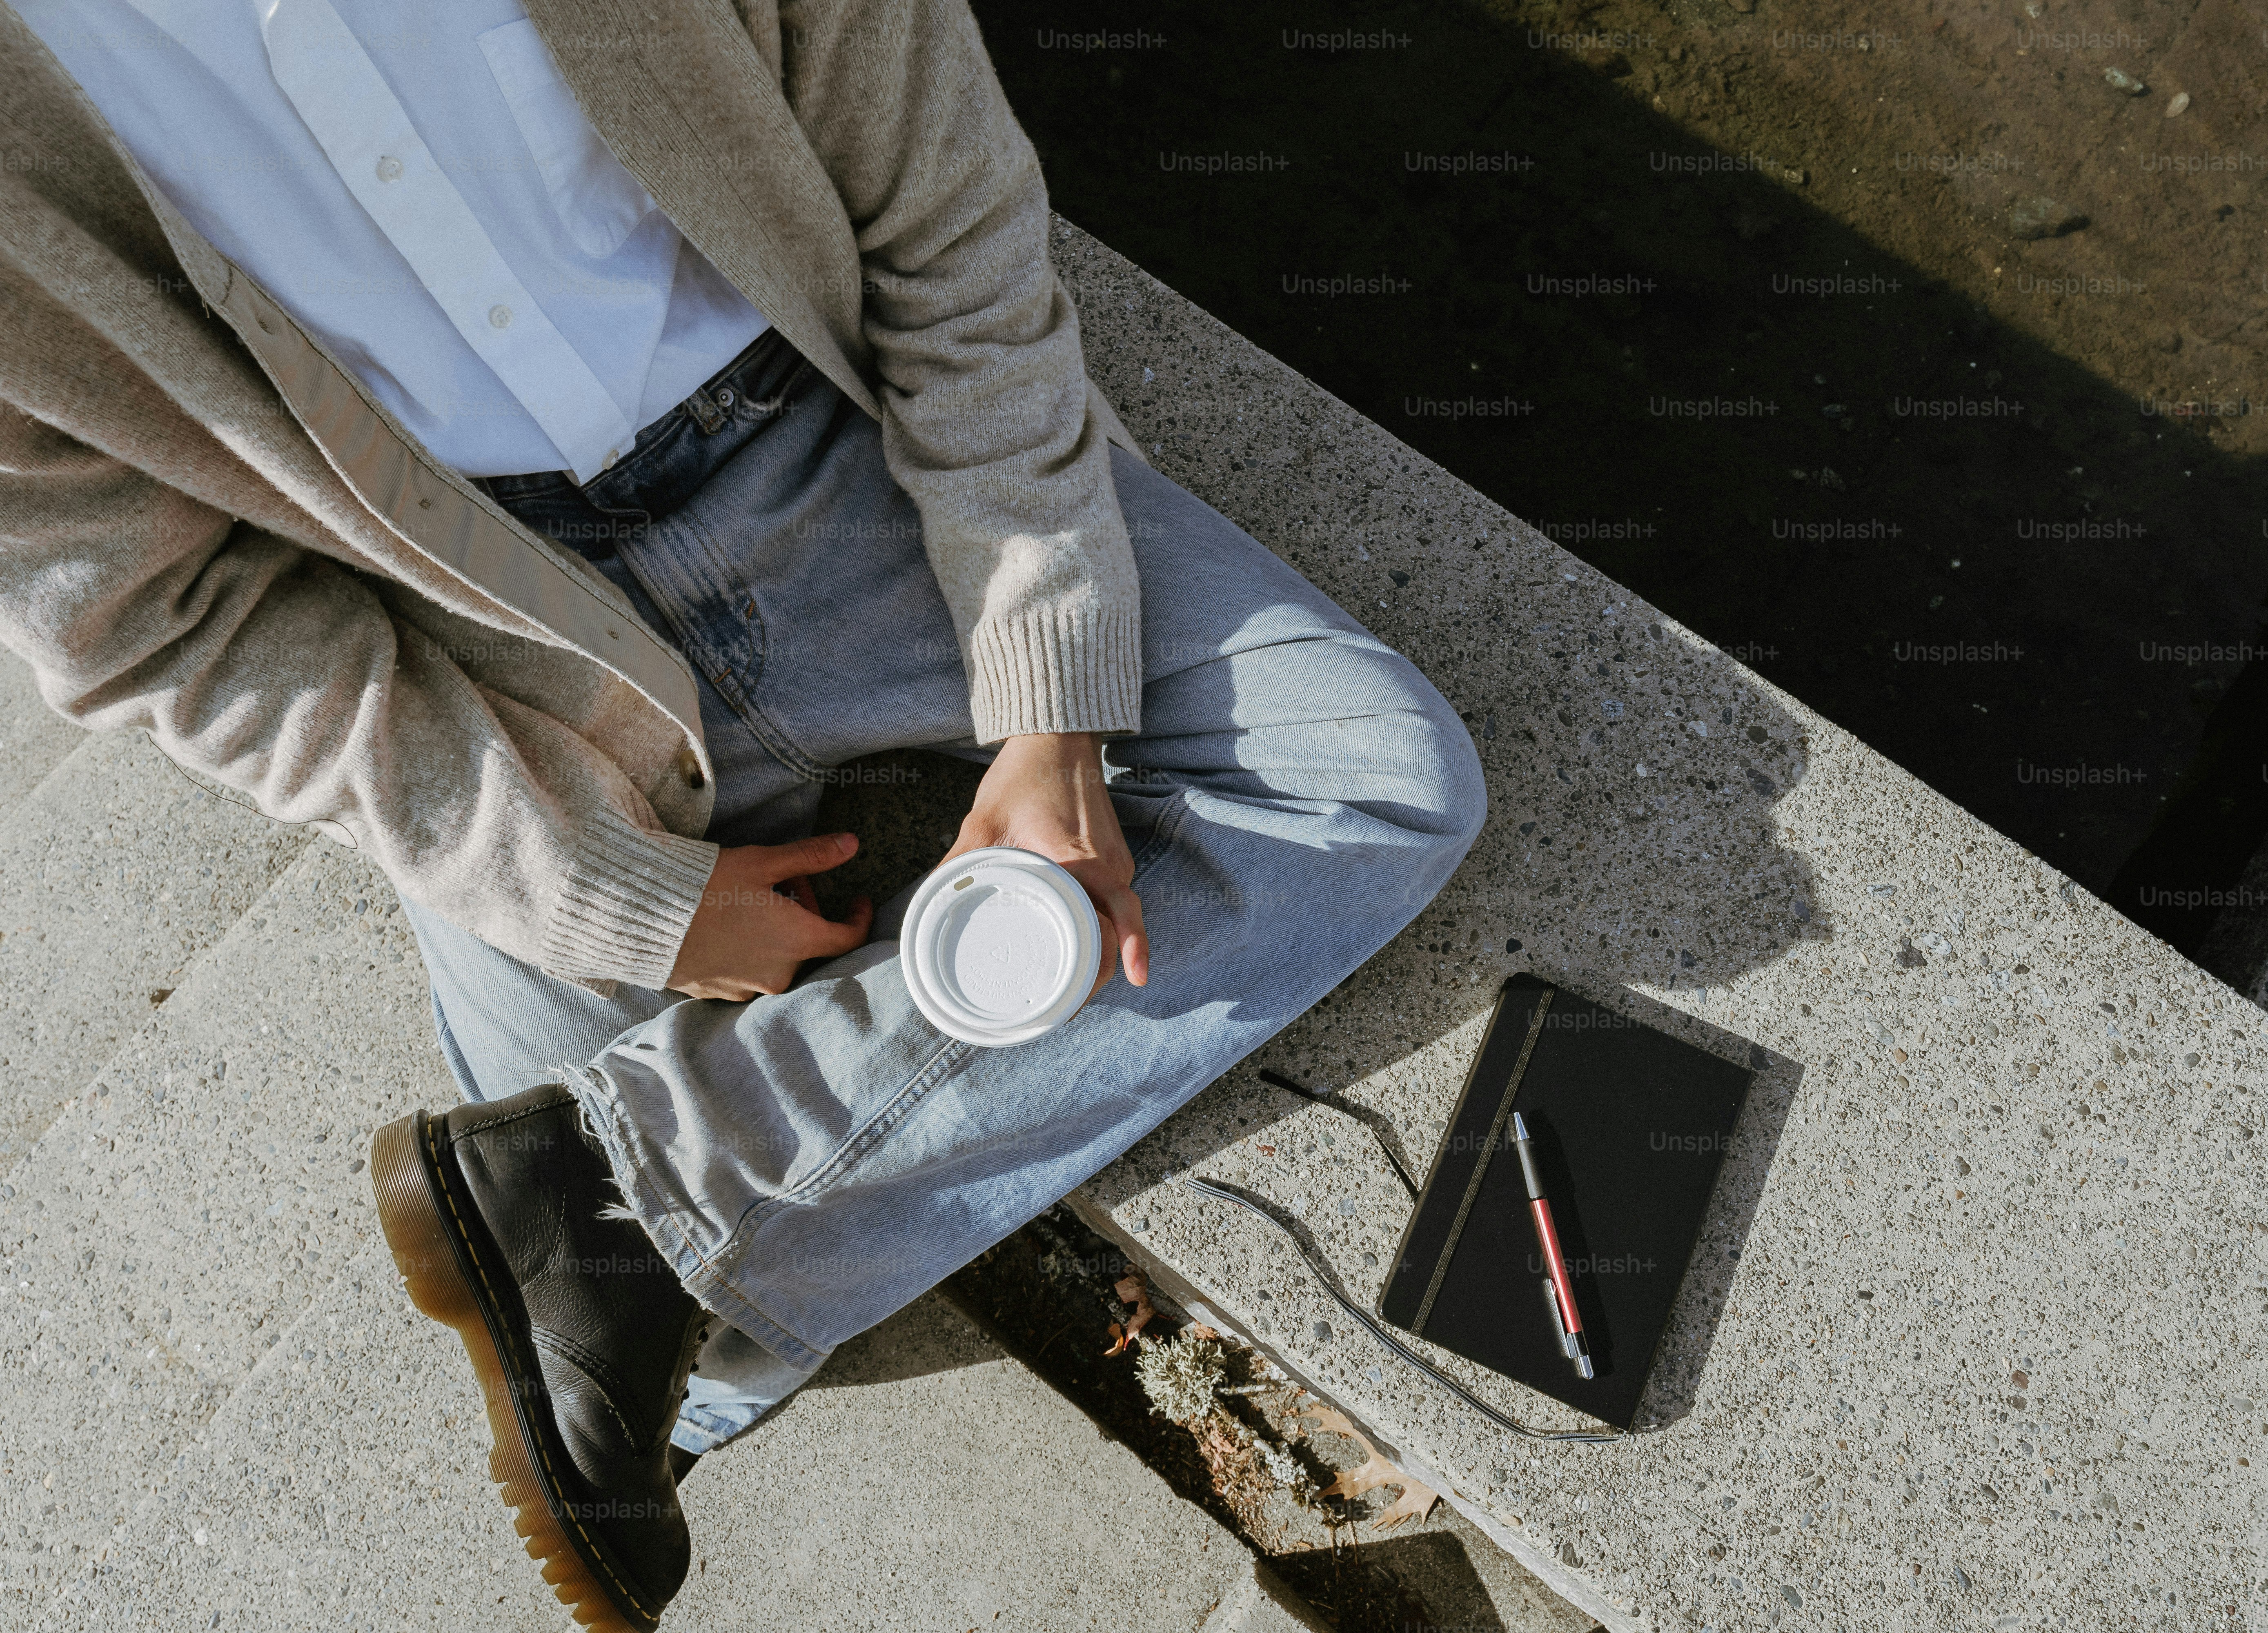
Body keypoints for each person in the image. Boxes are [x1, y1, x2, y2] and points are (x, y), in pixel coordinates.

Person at [0, 2, 1484, 1626]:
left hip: (835, 446)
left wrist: (1048, 682)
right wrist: (598, 888)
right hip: (484, 642)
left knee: (1371, 770)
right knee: (724, 1353)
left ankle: (628, 1185)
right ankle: (639, 1226)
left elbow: (951, 219)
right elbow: (158, 624)